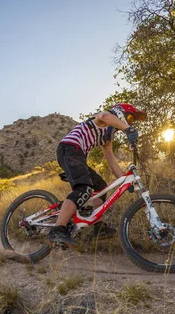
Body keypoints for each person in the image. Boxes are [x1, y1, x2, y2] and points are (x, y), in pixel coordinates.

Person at [47, 103, 145, 246]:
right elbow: (105, 116)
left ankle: (99, 228)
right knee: (84, 189)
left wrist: (125, 181)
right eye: (129, 118)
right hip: (69, 149)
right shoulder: (103, 118)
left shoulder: (107, 136)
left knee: (100, 186)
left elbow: (111, 160)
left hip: (77, 155)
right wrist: (127, 129)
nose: (129, 122)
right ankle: (57, 230)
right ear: (120, 112)